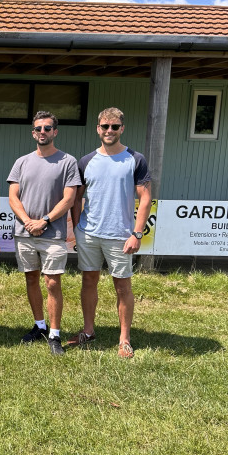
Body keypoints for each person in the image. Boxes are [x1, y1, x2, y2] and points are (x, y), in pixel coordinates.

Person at [70, 107, 152, 358]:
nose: (109, 131)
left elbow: (146, 198)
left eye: (114, 127)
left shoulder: (135, 159)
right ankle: (88, 331)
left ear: (122, 129)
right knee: (88, 281)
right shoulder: (85, 161)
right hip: (88, 233)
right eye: (105, 126)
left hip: (120, 235)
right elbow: (76, 199)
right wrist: (74, 230)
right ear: (98, 129)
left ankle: (124, 339)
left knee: (122, 286)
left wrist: (136, 234)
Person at [7, 111, 80, 355]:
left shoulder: (67, 161)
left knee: (52, 282)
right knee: (31, 278)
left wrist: (44, 220)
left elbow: (69, 199)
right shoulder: (21, 162)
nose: (42, 132)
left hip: (53, 234)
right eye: (38, 128)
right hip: (25, 232)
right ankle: (39, 325)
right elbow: (13, 197)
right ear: (33, 132)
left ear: (55, 132)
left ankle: (55, 334)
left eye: (47, 128)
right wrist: (28, 221)